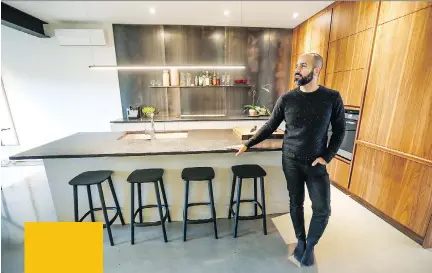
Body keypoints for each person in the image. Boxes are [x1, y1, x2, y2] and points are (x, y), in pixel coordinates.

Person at [236, 53, 345, 266]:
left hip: (316, 164)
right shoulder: (287, 99)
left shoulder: (332, 97)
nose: (297, 70)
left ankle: (310, 245)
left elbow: (340, 131)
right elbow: (270, 125)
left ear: (316, 70)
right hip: (291, 161)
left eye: (303, 66)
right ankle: (301, 241)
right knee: (296, 203)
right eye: (297, 65)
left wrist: (327, 156)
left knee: (323, 209)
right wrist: (249, 143)